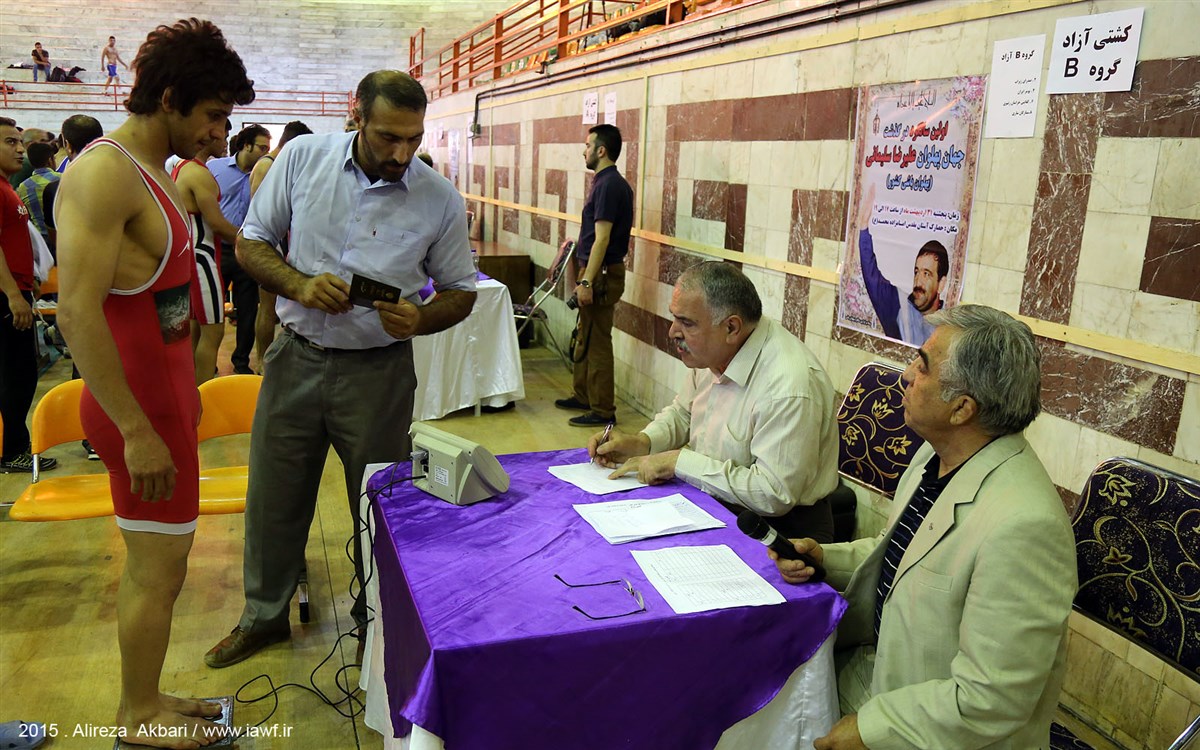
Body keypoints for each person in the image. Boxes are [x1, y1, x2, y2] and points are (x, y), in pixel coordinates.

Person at [205, 70, 477, 669]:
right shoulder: (303, 159)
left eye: (413, 139)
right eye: (388, 137)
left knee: (380, 505)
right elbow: (252, 244)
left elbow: (461, 291)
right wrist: (299, 284)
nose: (401, 154)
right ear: (357, 116)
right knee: (274, 497)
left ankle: (374, 626)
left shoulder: (438, 198)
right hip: (295, 358)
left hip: (379, 373)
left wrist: (420, 318)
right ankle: (263, 617)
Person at [54, 18, 254, 746]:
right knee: (153, 569)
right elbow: (76, 312)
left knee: (164, 569)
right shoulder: (104, 172)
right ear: (169, 98)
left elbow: (161, 304)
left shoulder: (157, 172)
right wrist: (136, 430)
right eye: (212, 116)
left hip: (163, 402)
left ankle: (148, 693)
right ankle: (136, 715)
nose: (219, 134)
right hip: (137, 412)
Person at [771, 305, 1076, 750]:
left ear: (961, 409)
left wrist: (869, 730)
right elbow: (905, 555)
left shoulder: (1024, 526)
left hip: (930, 726)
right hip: (878, 669)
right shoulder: (936, 457)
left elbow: (991, 700)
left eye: (923, 365)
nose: (906, 376)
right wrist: (824, 557)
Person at [590, 261, 839, 542]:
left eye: (687, 323)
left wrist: (678, 462)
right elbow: (684, 413)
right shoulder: (715, 351)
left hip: (779, 531)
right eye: (675, 318)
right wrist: (642, 442)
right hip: (713, 501)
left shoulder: (787, 386)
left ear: (731, 327)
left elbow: (772, 493)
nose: (673, 332)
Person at [554, 123, 634, 427]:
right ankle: (584, 395)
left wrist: (587, 280)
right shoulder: (605, 182)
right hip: (594, 271)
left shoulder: (610, 185)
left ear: (601, 150)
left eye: (588, 146)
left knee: (598, 340)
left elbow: (602, 239)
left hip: (600, 273)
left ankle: (602, 410)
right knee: (585, 335)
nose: (583, 151)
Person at [0, 117, 58, 474]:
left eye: (20, 142)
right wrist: (12, 293)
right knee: (16, 374)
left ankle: (12, 447)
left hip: (17, 288)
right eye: (10, 142)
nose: (20, 149)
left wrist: (27, 282)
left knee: (18, 372)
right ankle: (12, 451)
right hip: (6, 296)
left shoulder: (7, 187)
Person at [171, 137, 242, 385]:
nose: (226, 142)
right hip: (202, 258)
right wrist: (253, 241)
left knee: (195, 330)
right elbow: (217, 223)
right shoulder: (198, 173)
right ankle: (202, 395)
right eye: (222, 135)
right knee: (213, 332)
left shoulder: (182, 167)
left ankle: (190, 392)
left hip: (190, 256)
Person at [247, 119, 312, 372]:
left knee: (273, 309)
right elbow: (264, 217)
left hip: (278, 242)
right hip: (270, 244)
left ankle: (266, 361)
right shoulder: (268, 166)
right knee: (267, 309)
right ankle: (262, 362)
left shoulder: (274, 165)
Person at [208, 123, 270, 373]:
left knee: (247, 311)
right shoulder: (215, 169)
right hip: (218, 250)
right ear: (246, 146)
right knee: (212, 311)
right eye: (262, 148)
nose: (266, 153)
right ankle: (207, 361)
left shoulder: (266, 173)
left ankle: (241, 362)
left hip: (247, 253)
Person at [857, 184, 948, 346]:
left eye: (926, 274)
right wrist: (864, 227)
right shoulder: (898, 305)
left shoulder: (948, 326)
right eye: (916, 272)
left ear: (941, 283)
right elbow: (872, 277)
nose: (918, 281)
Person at [15, 142, 60, 245]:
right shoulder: (62, 178)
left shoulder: (23, 187)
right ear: (50, 160)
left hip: (39, 241)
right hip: (60, 236)